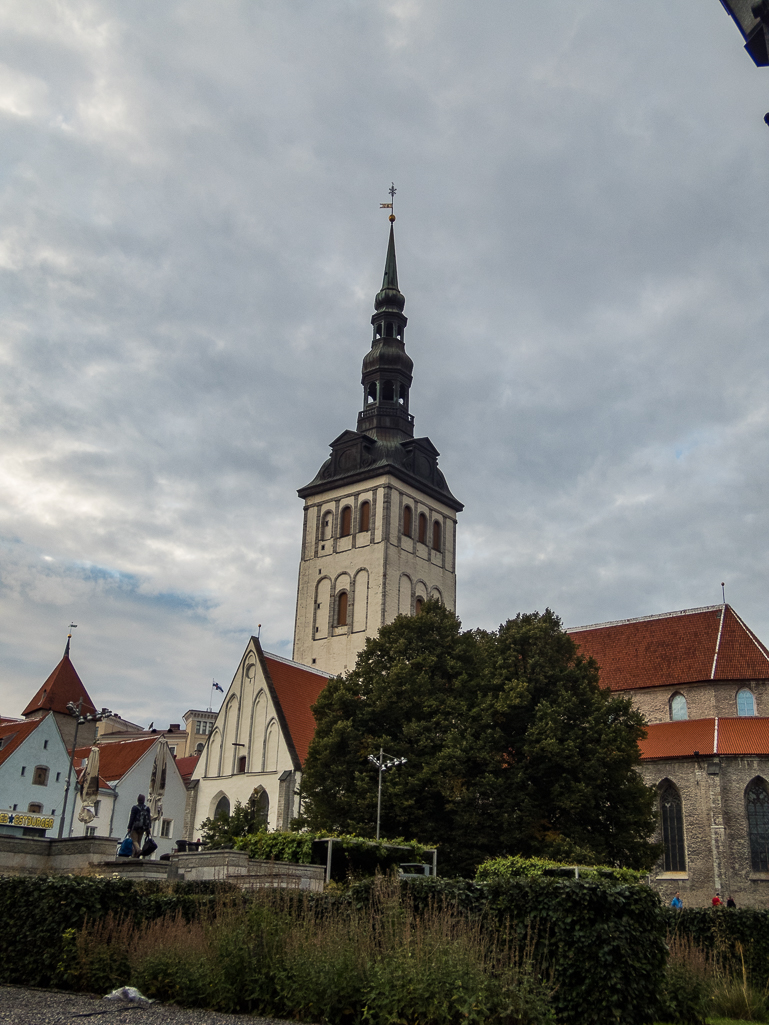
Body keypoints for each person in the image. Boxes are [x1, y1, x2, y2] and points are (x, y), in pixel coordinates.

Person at [127, 794, 151, 858]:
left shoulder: (135, 808)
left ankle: (138, 850)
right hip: (143, 828)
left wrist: (129, 827)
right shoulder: (147, 808)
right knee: (139, 841)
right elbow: (149, 818)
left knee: (134, 840)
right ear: (144, 800)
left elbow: (132, 818)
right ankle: (136, 855)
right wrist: (149, 828)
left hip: (135, 827)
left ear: (138, 800)